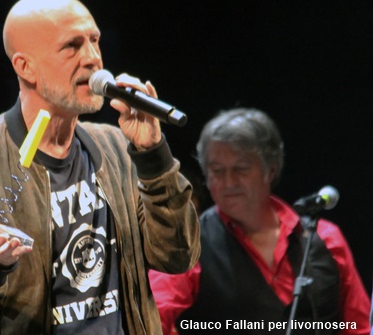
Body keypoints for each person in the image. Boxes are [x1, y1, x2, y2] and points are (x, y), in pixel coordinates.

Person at [0, 0, 201, 335]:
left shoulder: (116, 147)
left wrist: (153, 155)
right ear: (25, 67)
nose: (93, 59)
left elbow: (178, 256)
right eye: (72, 46)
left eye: (94, 41)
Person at [149, 108, 371, 334]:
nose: (229, 182)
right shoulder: (187, 244)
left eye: (241, 169)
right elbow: (150, 321)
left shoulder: (327, 239)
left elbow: (358, 327)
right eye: (217, 171)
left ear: (271, 169)